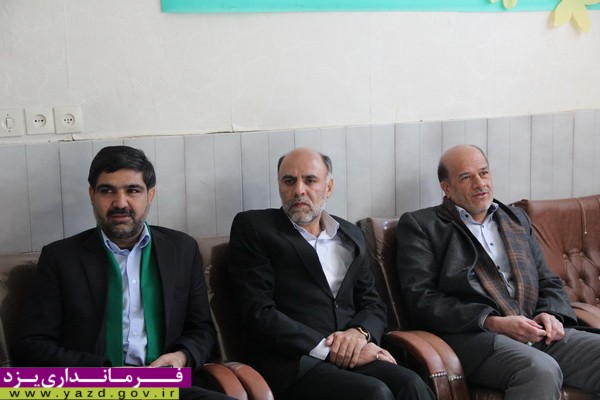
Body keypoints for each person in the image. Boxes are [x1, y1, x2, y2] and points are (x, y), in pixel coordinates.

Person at [11, 145, 235, 400]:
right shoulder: (61, 258)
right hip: (91, 388)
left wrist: (181, 356)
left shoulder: (181, 250)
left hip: (164, 386)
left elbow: (201, 330)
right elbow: (30, 346)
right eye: (107, 190)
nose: (120, 203)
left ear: (150, 195)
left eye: (133, 190)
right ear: (92, 195)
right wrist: (105, 373)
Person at [227, 147, 434, 400]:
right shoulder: (255, 228)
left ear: (329, 187)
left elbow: (372, 303)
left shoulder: (350, 235)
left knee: (411, 384)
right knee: (373, 393)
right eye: (289, 181)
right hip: (293, 361)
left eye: (310, 180)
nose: (299, 190)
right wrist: (331, 349)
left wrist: (359, 333)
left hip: (352, 354)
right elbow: (258, 312)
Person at [396, 144, 600, 399]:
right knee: (539, 370)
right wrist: (493, 322)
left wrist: (551, 314)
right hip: (475, 337)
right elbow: (422, 299)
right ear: (446, 187)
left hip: (533, 328)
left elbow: (547, 279)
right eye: (466, 177)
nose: (480, 183)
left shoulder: (515, 218)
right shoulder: (422, 226)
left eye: (484, 173)